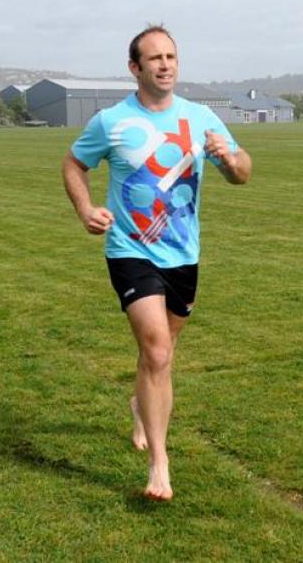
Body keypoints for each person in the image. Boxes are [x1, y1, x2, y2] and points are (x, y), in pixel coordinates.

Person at [62, 25, 252, 501]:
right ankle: (159, 466)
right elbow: (73, 164)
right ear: (135, 68)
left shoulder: (201, 116)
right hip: (130, 249)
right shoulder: (111, 122)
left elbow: (243, 173)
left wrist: (228, 158)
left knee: (160, 353)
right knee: (159, 352)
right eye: (154, 58)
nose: (165, 65)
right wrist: (86, 209)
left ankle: (138, 402)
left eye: (171, 56)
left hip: (183, 254)